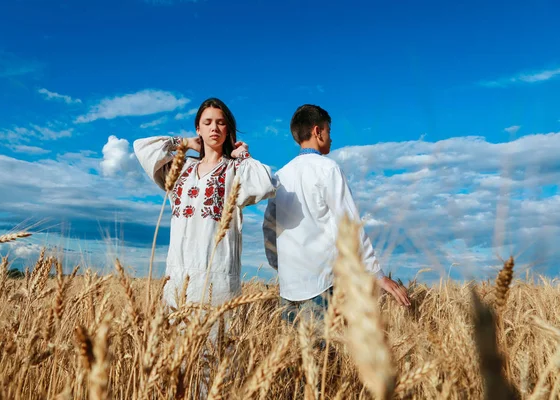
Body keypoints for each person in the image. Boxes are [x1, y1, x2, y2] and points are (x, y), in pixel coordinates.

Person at [262, 104, 410, 324]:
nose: (331, 138)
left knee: (295, 356)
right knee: (326, 357)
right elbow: (348, 223)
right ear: (317, 131)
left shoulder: (281, 175)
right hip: (322, 285)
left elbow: (269, 227)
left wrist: (280, 265)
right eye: (328, 131)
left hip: (289, 286)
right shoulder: (328, 169)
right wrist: (376, 274)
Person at [134, 97, 276, 308]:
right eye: (207, 122)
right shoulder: (181, 169)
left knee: (216, 339)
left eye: (220, 122)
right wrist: (183, 143)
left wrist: (243, 154)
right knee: (176, 339)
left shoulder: (234, 170)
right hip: (177, 275)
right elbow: (142, 148)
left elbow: (265, 184)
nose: (214, 128)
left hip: (216, 277)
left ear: (228, 129)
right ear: (198, 129)